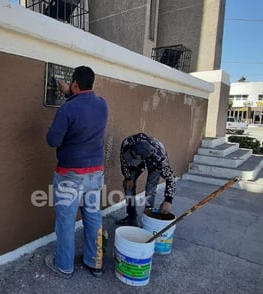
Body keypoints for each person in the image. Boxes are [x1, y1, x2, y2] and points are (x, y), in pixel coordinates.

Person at [44, 66, 108, 278]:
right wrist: (70, 94)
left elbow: (53, 140)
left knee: (66, 221)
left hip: (70, 175)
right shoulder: (102, 105)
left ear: (75, 85)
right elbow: (84, 105)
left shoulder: (67, 110)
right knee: (93, 216)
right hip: (95, 174)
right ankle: (94, 262)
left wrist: (68, 100)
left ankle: (64, 266)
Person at [115, 133, 176, 227]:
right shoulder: (128, 143)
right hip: (140, 159)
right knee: (128, 186)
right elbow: (124, 160)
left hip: (153, 162)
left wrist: (168, 200)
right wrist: (128, 177)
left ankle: (148, 217)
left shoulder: (160, 159)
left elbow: (171, 178)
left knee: (150, 188)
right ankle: (131, 217)